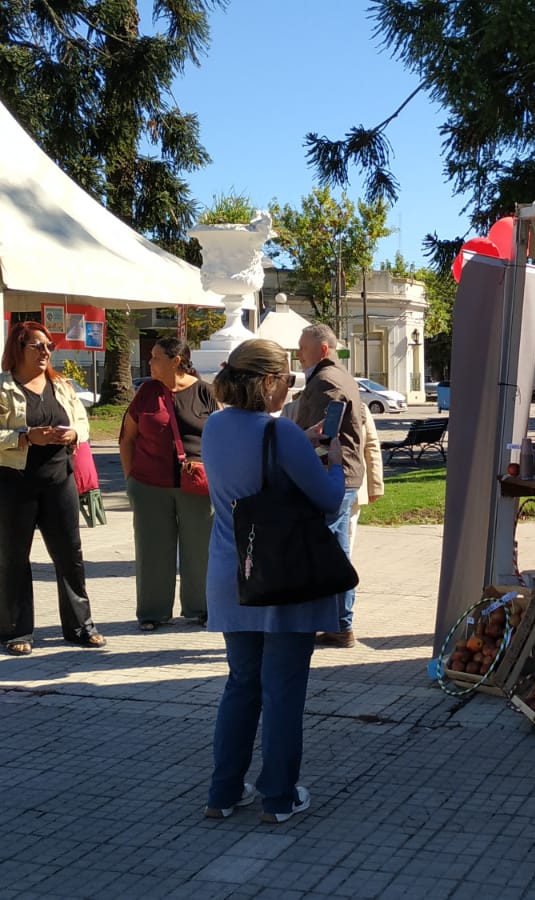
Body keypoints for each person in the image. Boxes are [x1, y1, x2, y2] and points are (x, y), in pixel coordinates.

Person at [202, 338, 345, 823]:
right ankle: (279, 797)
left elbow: (253, 464)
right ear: (267, 382)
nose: (290, 386)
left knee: (242, 683)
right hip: (282, 575)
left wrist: (298, 442)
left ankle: (222, 793)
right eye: (287, 379)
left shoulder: (216, 426)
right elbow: (326, 498)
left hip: (231, 571)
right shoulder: (278, 433)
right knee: (283, 687)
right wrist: (334, 461)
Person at [0, 322, 104, 656]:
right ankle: (16, 632)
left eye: (49, 347)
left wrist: (72, 435)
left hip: (59, 481)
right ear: (19, 348)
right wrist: (24, 436)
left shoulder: (62, 385)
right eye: (38, 346)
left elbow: (82, 423)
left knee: (69, 556)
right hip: (12, 483)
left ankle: (79, 627)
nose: (46, 352)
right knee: (15, 558)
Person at [120, 337, 218, 630]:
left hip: (198, 485)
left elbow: (222, 436)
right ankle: (152, 613)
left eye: (155, 357)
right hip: (150, 484)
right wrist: (130, 480)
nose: (149, 362)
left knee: (201, 550)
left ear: (176, 361)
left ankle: (201, 609)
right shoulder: (146, 392)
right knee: (152, 550)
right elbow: (127, 438)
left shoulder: (205, 392)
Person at [291, 324, 365, 648]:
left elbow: (324, 436)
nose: (298, 355)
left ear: (321, 350)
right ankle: (338, 623)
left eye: (302, 349)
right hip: (343, 476)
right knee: (336, 550)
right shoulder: (340, 375)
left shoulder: (325, 382)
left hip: (332, 477)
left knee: (327, 552)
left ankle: (333, 623)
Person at [347, 400, 383, 551]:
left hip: (353, 485)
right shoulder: (300, 405)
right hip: (315, 489)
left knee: (347, 537)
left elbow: (371, 445)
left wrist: (375, 485)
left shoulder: (360, 408)